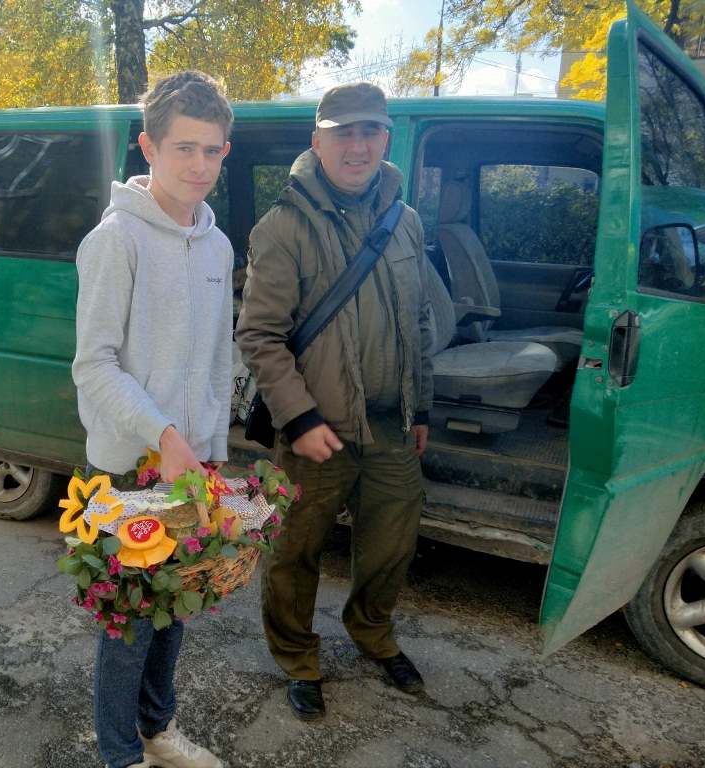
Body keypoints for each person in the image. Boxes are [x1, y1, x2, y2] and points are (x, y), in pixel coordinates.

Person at [235, 82, 434, 721]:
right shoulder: (283, 227)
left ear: (386, 139)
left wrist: (422, 408)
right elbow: (259, 335)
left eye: (370, 131)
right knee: (294, 550)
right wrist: (298, 417)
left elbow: (419, 323)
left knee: (392, 545)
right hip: (315, 431)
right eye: (342, 133)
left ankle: (372, 632)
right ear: (317, 142)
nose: (357, 145)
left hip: (391, 424)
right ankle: (298, 657)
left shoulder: (406, 222)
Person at [71, 71, 233, 768]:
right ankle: (120, 756)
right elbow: (94, 364)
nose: (199, 165)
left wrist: (211, 447)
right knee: (129, 622)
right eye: (183, 148)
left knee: (176, 608)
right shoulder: (116, 239)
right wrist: (161, 433)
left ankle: (157, 730)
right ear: (148, 147)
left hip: (189, 467)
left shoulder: (219, 246)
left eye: (211, 150)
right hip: (126, 468)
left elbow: (220, 357)